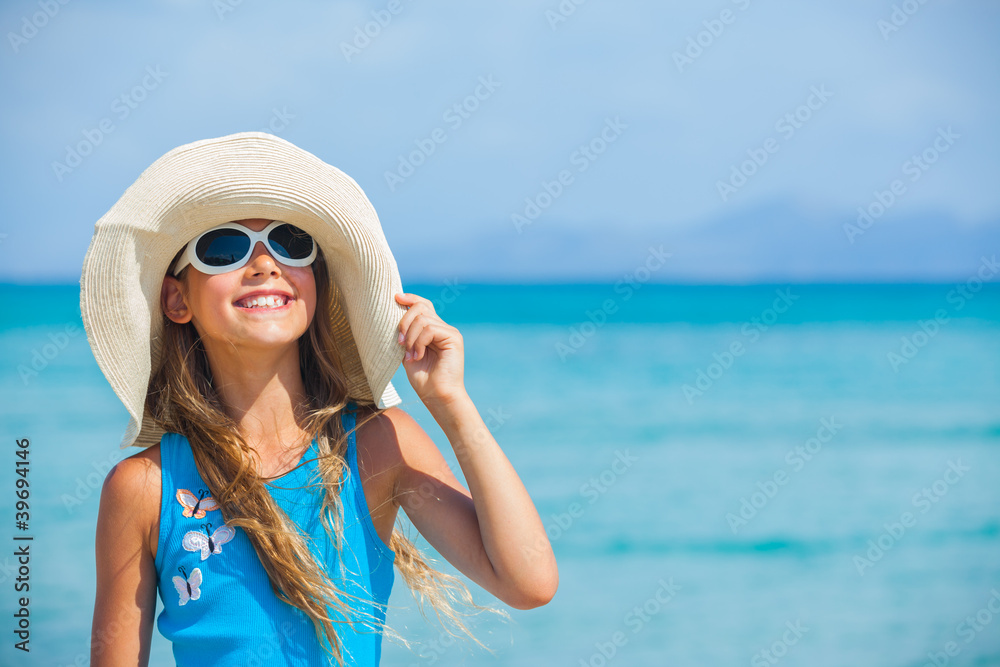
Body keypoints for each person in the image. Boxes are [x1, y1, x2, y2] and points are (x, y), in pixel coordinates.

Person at [82, 132, 558, 666]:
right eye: (223, 248)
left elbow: (529, 581)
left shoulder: (375, 447)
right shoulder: (146, 488)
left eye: (289, 242)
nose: (264, 263)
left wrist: (452, 406)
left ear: (314, 284)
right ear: (176, 299)